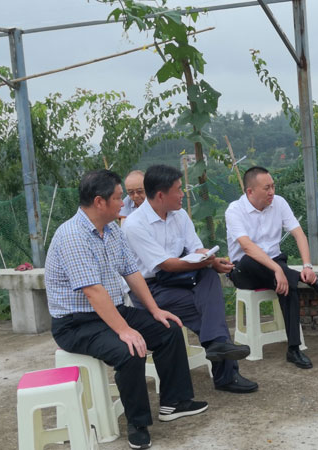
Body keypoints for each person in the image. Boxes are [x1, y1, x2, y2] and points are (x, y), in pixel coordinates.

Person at [45, 169, 207, 450]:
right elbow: (93, 291)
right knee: (131, 348)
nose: (125, 203)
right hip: (76, 324)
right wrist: (125, 330)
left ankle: (174, 401)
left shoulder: (111, 231)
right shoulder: (72, 235)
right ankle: (138, 423)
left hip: (111, 311)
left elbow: (132, 272)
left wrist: (155, 310)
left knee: (168, 328)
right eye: (119, 197)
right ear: (99, 202)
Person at [123, 164, 258, 393]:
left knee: (209, 275)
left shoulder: (179, 215)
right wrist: (206, 261)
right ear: (161, 195)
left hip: (180, 278)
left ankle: (218, 348)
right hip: (151, 290)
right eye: (178, 189)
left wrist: (211, 260)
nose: (183, 194)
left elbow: (196, 248)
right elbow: (164, 264)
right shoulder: (135, 225)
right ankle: (225, 372)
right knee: (208, 309)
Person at [224, 166, 318, 370]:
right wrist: (277, 269)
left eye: (273, 186)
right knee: (250, 260)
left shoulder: (279, 203)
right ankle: (302, 278)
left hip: (275, 265)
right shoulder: (234, 210)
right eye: (267, 188)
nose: (272, 192)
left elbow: (299, 233)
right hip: (245, 270)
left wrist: (307, 265)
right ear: (250, 192)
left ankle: (293, 349)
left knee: (288, 287)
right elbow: (247, 246)